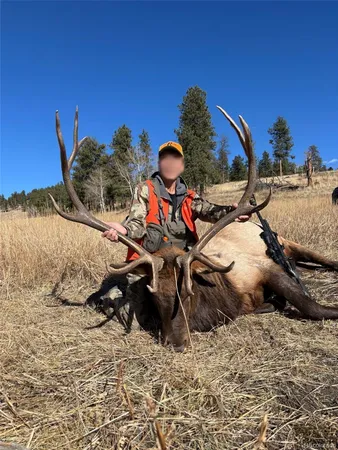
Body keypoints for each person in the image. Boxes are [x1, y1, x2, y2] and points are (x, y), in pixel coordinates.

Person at [86, 141, 251, 325]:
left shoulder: (189, 197)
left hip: (182, 266)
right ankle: (108, 298)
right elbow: (137, 222)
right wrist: (124, 230)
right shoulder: (146, 190)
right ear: (159, 164)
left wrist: (232, 212)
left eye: (175, 159)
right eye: (165, 159)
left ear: (181, 165)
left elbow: (210, 211)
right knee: (138, 322)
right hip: (151, 267)